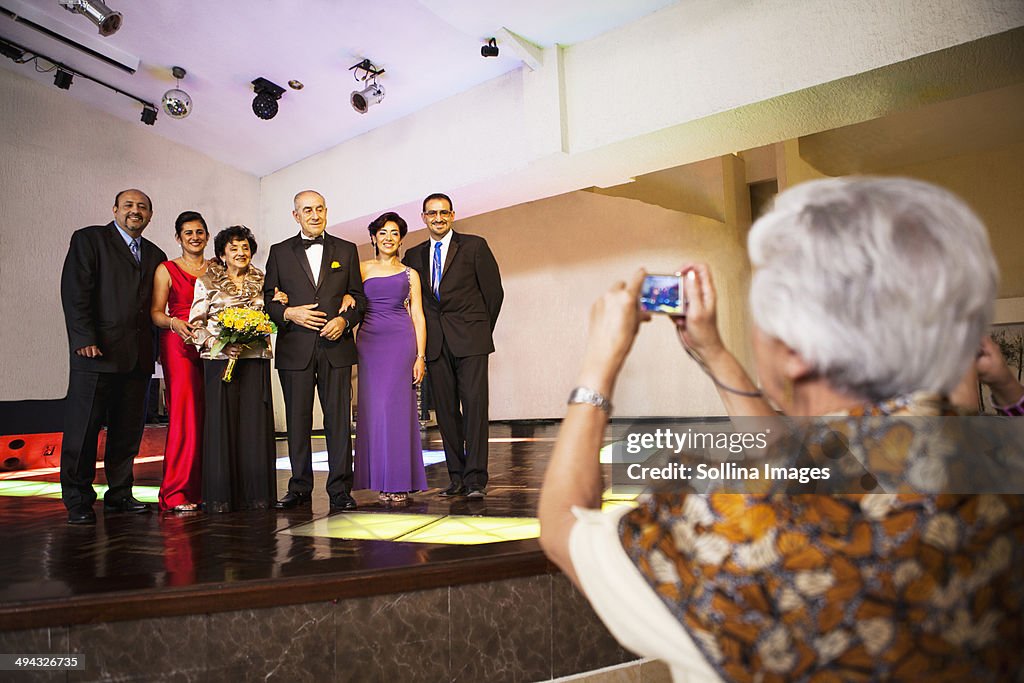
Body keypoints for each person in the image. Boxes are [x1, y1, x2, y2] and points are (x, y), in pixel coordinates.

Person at [539, 177, 1024, 681]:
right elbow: (817, 469)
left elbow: (561, 527)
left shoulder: (725, 525)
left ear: (795, 351)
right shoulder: (998, 460)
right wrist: (715, 354)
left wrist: (599, 362)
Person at [60, 189, 168, 525]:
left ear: (150, 215)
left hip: (137, 357)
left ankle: (120, 492)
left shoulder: (155, 254)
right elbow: (75, 291)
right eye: (129, 206)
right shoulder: (89, 240)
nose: (135, 211)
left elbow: (155, 306)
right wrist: (83, 338)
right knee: (83, 429)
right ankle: (78, 499)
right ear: (115, 210)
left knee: (128, 430)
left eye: (143, 207)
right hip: (95, 354)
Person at [263, 191, 366, 512]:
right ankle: (299, 487)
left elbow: (359, 299)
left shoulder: (347, 250)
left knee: (338, 422)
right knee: (297, 421)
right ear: (296, 216)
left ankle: (340, 489)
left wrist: (344, 320)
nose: (315, 214)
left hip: (336, 348)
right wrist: (289, 314)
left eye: (320, 209)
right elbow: (268, 300)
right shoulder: (279, 252)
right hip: (295, 347)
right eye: (307, 210)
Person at [403, 193, 503, 498]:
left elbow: (494, 293)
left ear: (453, 215)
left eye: (444, 213)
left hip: (471, 340)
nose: (438, 218)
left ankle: (476, 480)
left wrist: (480, 330)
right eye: (432, 213)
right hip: (434, 343)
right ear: (423, 217)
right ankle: (456, 478)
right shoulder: (413, 255)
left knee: (474, 409)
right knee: (445, 412)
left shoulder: (475, 246)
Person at [189, 226, 276, 512]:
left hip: (256, 359)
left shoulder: (263, 279)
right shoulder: (205, 280)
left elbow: (271, 313)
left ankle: (257, 495)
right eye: (234, 248)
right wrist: (219, 344)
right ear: (222, 253)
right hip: (218, 362)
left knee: (254, 427)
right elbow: (195, 325)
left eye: (246, 248)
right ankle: (221, 497)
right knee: (220, 427)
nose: (241, 253)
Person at [354, 212, 428, 503]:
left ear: (400, 239)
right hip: (370, 343)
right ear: (373, 237)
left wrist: (421, 356)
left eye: (394, 233)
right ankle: (378, 478)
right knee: (374, 410)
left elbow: (418, 315)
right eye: (382, 232)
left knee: (396, 410)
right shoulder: (361, 269)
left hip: (401, 342)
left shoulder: (411, 274)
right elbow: (348, 300)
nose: (388, 237)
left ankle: (397, 480)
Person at [150, 211, 210, 513]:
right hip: (180, 344)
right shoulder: (166, 269)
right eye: (188, 233)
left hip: (214, 343)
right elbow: (156, 313)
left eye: (200, 232)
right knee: (186, 414)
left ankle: (211, 487)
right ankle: (178, 491)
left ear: (208, 237)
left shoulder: (217, 268)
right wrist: (175, 324)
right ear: (178, 237)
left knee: (213, 415)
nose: (195, 237)